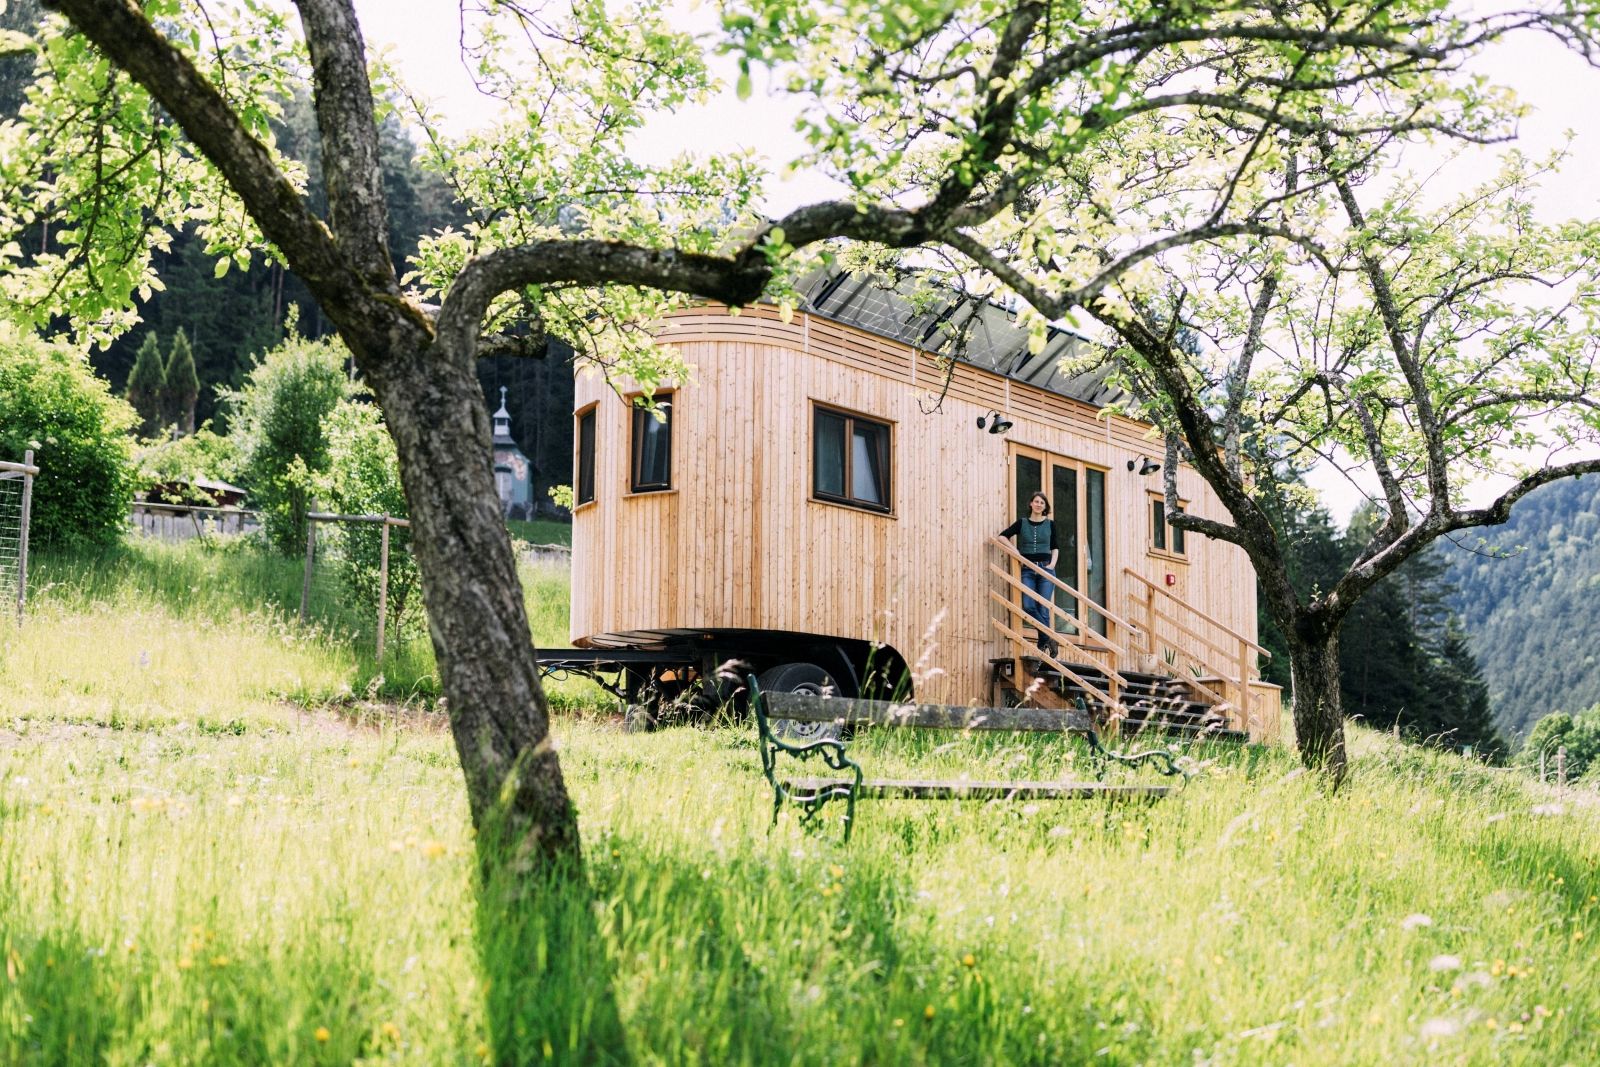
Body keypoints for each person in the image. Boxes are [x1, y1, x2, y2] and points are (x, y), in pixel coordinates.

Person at [1000, 492, 1060, 657]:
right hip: (1027, 569)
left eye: (1042, 502)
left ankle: (1043, 644)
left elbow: (1055, 547)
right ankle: (1050, 638)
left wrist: (1052, 565)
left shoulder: (1050, 524)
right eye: (1036, 501)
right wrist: (1017, 553)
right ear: (1031, 504)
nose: (1039, 504)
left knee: (1043, 608)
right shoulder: (1022, 523)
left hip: (1046, 569)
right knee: (1028, 606)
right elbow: (1002, 537)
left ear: (1045, 507)